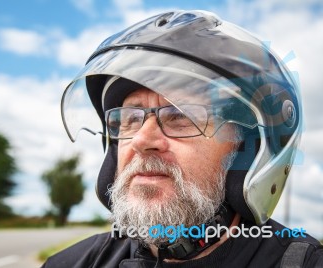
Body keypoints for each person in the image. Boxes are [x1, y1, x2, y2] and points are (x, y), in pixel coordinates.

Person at [42, 10, 323, 267]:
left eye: (180, 115)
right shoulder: (72, 263)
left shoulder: (303, 262)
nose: (142, 140)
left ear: (246, 151)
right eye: (129, 119)